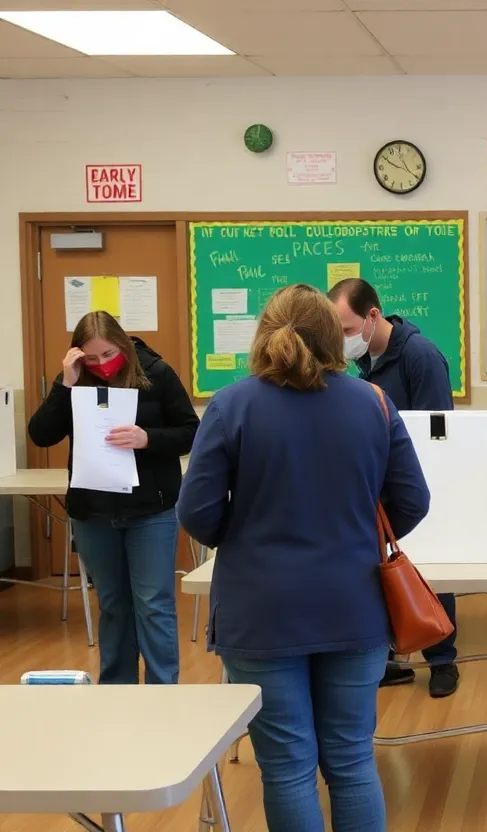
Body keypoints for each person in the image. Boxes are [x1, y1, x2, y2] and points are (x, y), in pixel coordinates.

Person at [177, 284, 431, 832]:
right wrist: (361, 534)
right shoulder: (374, 402)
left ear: (263, 335)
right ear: (333, 337)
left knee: (288, 769)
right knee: (352, 760)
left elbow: (196, 513)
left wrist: (242, 537)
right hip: (354, 602)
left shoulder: (230, 405)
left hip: (261, 610)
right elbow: (413, 501)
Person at [28, 312, 198, 685]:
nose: (102, 365)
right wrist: (65, 386)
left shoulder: (157, 373)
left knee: (154, 605)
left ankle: (163, 692)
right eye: (92, 358)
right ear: (77, 356)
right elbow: (40, 435)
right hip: (94, 511)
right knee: (113, 604)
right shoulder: (73, 381)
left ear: (122, 345)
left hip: (150, 509)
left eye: (108, 354)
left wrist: (148, 438)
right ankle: (116, 691)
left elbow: (191, 431)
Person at [328, 277, 460, 697]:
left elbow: (439, 429)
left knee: (428, 570)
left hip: (415, 479)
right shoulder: (366, 357)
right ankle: (385, 658)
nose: (344, 340)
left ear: (373, 315)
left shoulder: (420, 356)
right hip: (374, 482)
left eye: (347, 330)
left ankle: (443, 659)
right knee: (380, 571)